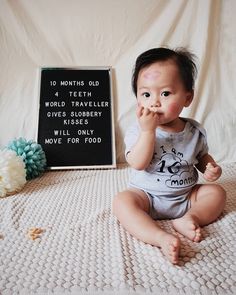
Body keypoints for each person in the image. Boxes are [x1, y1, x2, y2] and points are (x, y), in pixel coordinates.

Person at [113, 47, 226, 264]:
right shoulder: (138, 130)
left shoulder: (194, 131)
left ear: (187, 97)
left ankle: (189, 219)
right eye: (146, 94)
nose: (155, 102)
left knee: (216, 193)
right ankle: (159, 236)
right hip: (147, 197)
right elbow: (137, 163)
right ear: (137, 97)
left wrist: (210, 167)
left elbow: (201, 157)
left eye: (165, 93)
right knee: (122, 201)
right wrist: (148, 132)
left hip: (186, 196)